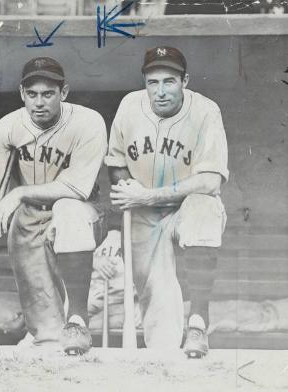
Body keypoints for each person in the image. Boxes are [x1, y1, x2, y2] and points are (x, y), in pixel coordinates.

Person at [0, 57, 107, 353]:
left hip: (81, 212)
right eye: (32, 94)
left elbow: (75, 188)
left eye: (48, 93)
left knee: (67, 210)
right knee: (49, 338)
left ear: (63, 93)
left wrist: (19, 194)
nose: (39, 102)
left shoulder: (88, 122)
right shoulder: (8, 127)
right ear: (21, 93)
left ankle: (78, 318)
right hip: (29, 222)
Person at [106, 46, 228, 357]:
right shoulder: (130, 106)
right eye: (153, 82)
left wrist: (148, 194)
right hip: (144, 214)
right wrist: (127, 188)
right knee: (160, 330)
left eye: (169, 81)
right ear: (144, 83)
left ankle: (199, 321)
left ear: (185, 81)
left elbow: (211, 180)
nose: (160, 91)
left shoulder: (206, 111)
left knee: (205, 206)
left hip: (184, 206)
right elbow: (116, 161)